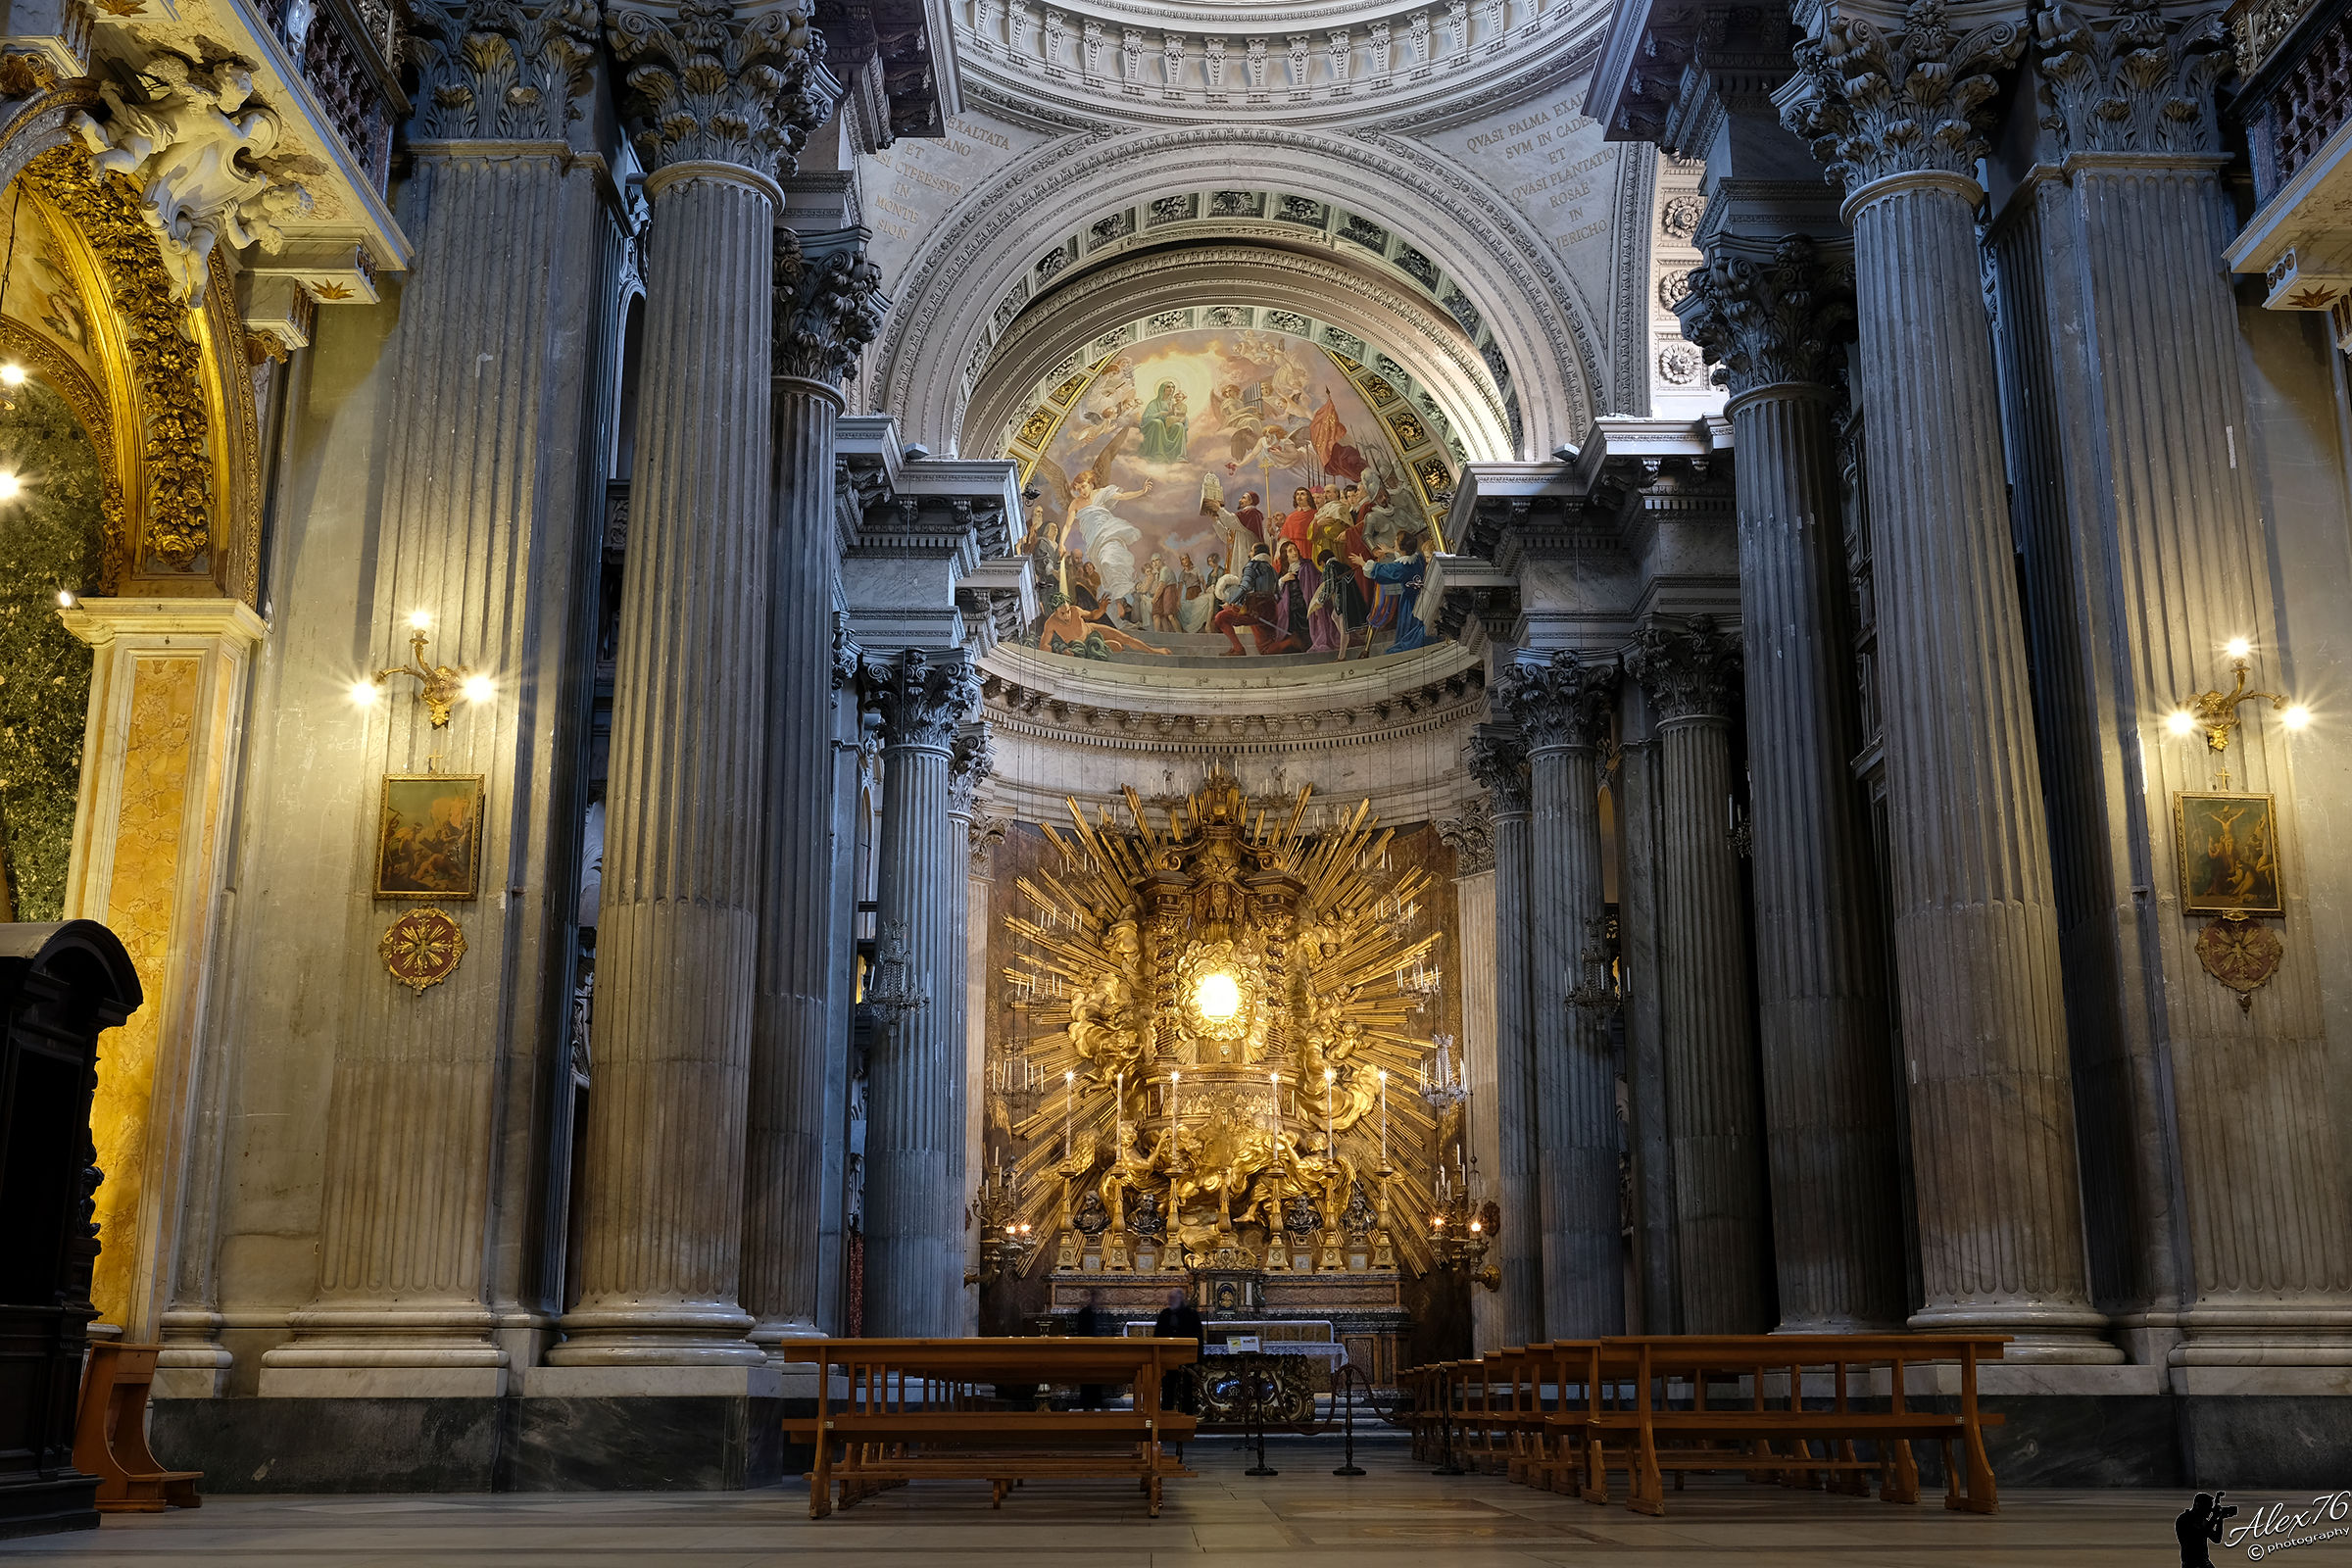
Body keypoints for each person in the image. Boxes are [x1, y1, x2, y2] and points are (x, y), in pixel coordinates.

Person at [1152, 1287, 1204, 1419]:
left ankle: (1187, 1417)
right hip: (1167, 1360)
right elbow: (1157, 1337)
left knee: (1187, 1391)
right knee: (1168, 1390)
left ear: (1181, 1299)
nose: (1170, 1300)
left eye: (1173, 1298)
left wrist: (1198, 1360)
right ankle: (1165, 1417)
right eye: (1170, 1298)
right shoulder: (1165, 1315)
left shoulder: (1191, 1315)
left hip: (1187, 1360)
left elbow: (1199, 1339)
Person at [1072, 1289, 1108, 1410]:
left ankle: (1097, 1402)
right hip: (1087, 1350)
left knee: (1098, 1378)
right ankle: (1087, 1404)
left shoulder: (1102, 1313)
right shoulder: (1084, 1313)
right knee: (1088, 1378)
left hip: (1100, 1351)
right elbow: (1081, 1332)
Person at [2177, 1493, 2232, 1568]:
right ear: (2197, 1505)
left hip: (2203, 1562)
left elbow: (2216, 1539)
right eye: (2208, 1508)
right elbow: (2199, 1535)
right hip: (2191, 1563)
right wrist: (2214, 1517)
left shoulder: (2202, 1520)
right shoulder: (2184, 1519)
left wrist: (2220, 1519)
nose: (2210, 1511)